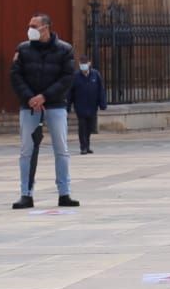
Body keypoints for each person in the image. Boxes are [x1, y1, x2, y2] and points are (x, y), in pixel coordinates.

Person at [9, 13, 78, 211]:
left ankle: (64, 193)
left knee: (61, 149)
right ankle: (26, 194)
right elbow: (15, 76)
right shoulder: (22, 49)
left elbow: (67, 78)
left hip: (55, 104)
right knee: (26, 151)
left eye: (34, 25)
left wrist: (44, 96)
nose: (29, 28)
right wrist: (30, 97)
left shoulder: (64, 50)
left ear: (46, 28)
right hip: (29, 106)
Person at [71, 56, 106, 155]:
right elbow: (70, 92)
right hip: (80, 106)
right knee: (82, 127)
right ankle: (83, 147)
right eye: (81, 64)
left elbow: (101, 90)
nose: (83, 66)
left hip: (92, 106)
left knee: (90, 127)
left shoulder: (95, 74)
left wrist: (102, 103)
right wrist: (68, 106)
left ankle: (88, 146)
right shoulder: (76, 76)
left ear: (89, 63)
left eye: (85, 63)